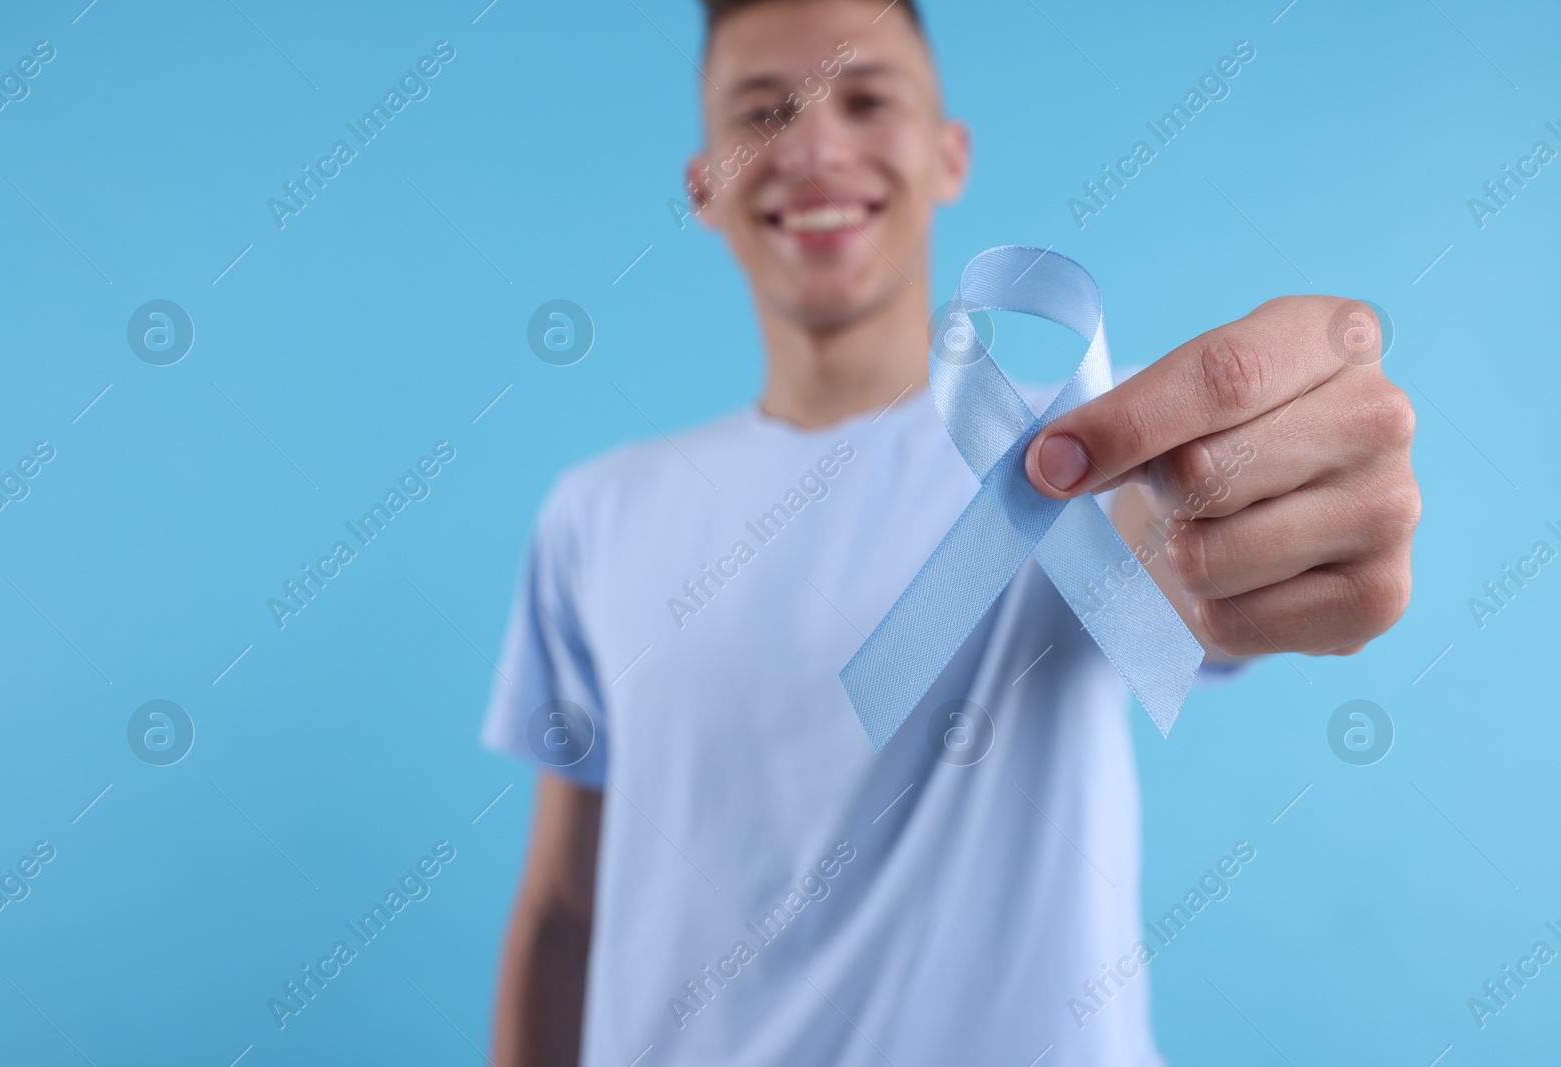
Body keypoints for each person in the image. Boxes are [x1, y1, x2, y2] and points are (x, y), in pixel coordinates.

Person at [481, 1, 1419, 1063]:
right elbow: (562, 913)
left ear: (948, 155)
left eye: (866, 99)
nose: (816, 145)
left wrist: (1238, 492)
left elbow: (1164, 548)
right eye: (764, 111)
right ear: (703, 185)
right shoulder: (594, 515)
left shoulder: (1058, 455)